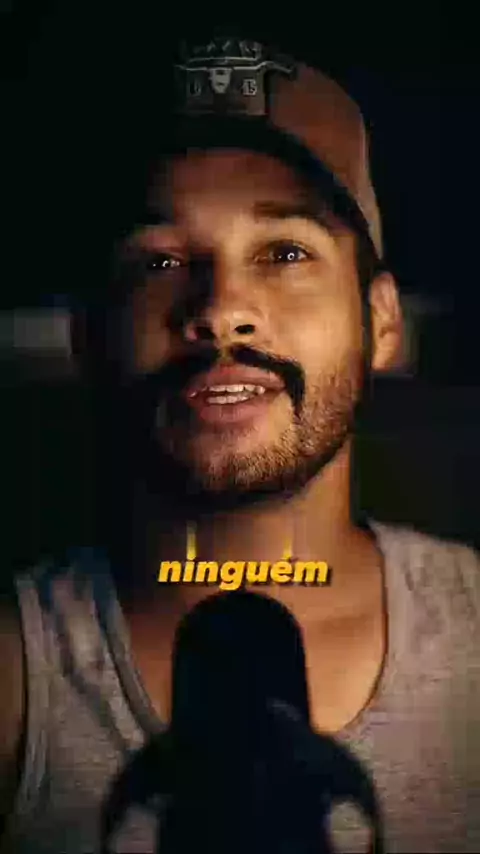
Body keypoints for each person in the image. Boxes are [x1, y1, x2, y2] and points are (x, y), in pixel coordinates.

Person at [1, 33, 479, 854]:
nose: (222, 310)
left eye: (285, 251)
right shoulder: (15, 681)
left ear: (381, 321)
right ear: (87, 334)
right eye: (159, 261)